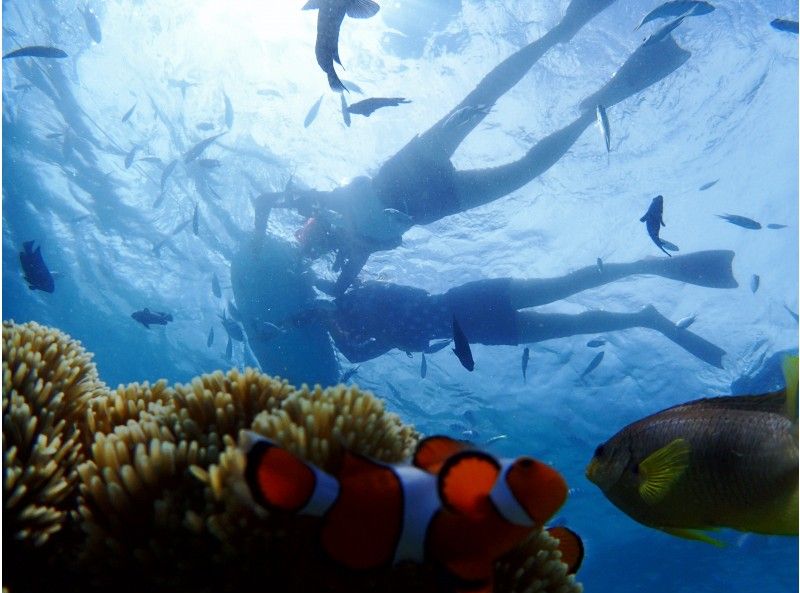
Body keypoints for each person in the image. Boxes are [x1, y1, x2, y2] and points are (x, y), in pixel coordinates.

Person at [278, 0, 692, 294]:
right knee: (498, 120)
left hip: (422, 183)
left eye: (303, 236)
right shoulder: (348, 246)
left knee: (494, 115)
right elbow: (338, 287)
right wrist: (310, 272)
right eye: (305, 239)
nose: (306, 234)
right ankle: (596, 100)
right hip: (431, 193)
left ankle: (576, 62)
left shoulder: (330, 216)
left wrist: (287, 233)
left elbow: (290, 208)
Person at [233, 225, 737, 387]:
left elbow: (390, 298)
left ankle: (642, 266)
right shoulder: (352, 338)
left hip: (470, 301)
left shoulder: (354, 296)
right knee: (572, 323)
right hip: (476, 332)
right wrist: (322, 326)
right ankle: (646, 318)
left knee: (564, 285)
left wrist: (323, 310)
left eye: (323, 313)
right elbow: (363, 353)